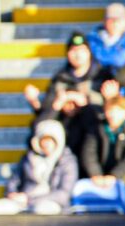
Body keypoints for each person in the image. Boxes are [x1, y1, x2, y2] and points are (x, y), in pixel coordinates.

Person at [25, 32, 108, 163]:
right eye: (73, 50)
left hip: (93, 131)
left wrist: (83, 102)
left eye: (82, 50)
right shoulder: (60, 78)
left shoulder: (101, 75)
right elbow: (45, 117)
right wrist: (57, 103)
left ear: (89, 52)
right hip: (66, 132)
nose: (77, 55)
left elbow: (112, 108)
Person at [0, 120, 78, 215]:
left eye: (50, 140)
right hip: (23, 201)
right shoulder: (29, 158)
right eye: (44, 140)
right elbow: (14, 181)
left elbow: (63, 194)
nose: (46, 144)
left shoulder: (67, 161)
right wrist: (12, 194)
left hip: (49, 202)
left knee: (43, 210)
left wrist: (30, 199)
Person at [80, 95, 125, 187]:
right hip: (99, 174)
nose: (113, 115)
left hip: (123, 175)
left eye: (117, 111)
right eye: (109, 110)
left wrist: (114, 175)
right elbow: (88, 153)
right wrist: (95, 174)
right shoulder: (96, 129)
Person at [87, 3, 125, 76]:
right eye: (111, 19)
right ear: (104, 21)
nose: (115, 23)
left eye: (119, 20)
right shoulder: (92, 39)